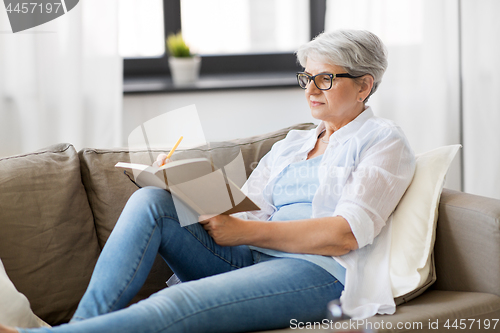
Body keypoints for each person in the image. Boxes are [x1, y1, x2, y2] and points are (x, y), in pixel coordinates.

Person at [1, 29, 415, 333]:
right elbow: (246, 210)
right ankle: (81, 327)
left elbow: (343, 235)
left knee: (174, 302)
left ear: (365, 85)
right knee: (151, 203)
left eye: (325, 79)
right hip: (253, 255)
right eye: (306, 78)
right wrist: (183, 182)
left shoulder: (382, 140)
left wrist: (243, 231)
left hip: (321, 273)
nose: (311, 90)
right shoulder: (293, 144)